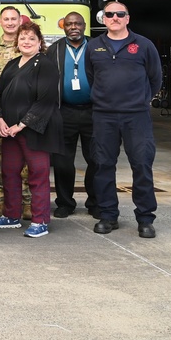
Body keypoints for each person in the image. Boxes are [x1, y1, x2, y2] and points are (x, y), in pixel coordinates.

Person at [87, 1, 163, 239]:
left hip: (136, 117)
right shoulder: (93, 47)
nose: (115, 17)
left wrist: (141, 101)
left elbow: (155, 78)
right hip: (104, 116)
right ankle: (108, 215)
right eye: (109, 14)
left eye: (120, 14)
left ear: (128, 18)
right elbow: (92, 78)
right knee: (103, 165)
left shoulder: (143, 45)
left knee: (141, 164)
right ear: (104, 19)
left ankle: (145, 218)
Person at [0, 21, 64, 238]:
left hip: (35, 129)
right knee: (9, 172)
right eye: (23, 38)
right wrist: (1, 120)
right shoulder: (12, 64)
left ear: (40, 42)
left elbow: (45, 101)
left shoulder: (46, 64)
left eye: (32, 38)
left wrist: (21, 125)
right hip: (9, 130)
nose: (26, 42)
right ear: (17, 42)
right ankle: (11, 215)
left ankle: (40, 220)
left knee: (37, 174)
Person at [46, 11, 100, 219]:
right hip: (64, 112)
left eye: (77, 23)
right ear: (64, 26)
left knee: (96, 159)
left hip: (93, 111)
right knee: (62, 161)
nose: (73, 27)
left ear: (84, 25)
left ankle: (94, 202)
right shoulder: (55, 49)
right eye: (69, 24)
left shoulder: (96, 47)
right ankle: (65, 203)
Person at [0, 5, 32, 220]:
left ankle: (27, 202)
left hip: (24, 112)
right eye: (6, 19)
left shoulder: (28, 45)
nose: (11, 22)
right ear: (0, 22)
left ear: (20, 21)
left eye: (14, 19)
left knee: (26, 159)